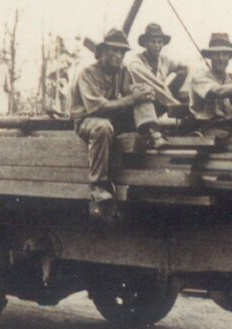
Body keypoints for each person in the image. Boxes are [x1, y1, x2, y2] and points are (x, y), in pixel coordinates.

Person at [70, 29, 162, 202]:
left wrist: (144, 92)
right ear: (103, 51)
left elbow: (131, 92)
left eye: (122, 51)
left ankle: (154, 132)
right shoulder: (87, 74)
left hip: (112, 116)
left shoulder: (123, 71)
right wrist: (133, 98)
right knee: (102, 127)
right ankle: (98, 185)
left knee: (140, 96)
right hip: (87, 120)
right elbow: (98, 108)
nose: (118, 55)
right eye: (114, 50)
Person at [125, 23, 188, 99]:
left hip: (161, 97)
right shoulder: (138, 59)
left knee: (183, 74)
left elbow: (190, 66)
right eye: (153, 42)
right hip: (145, 98)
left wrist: (186, 85)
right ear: (146, 43)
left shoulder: (164, 60)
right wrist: (162, 86)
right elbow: (137, 68)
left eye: (160, 42)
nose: (157, 45)